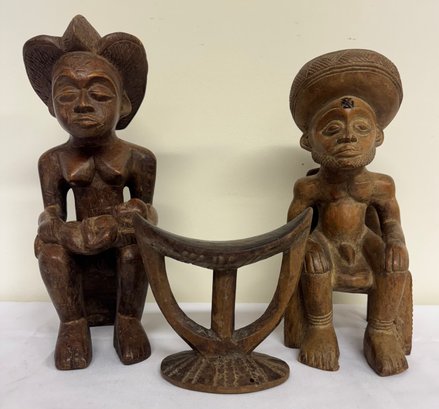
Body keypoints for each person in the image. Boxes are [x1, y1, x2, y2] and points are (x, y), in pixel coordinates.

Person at [24, 15, 157, 369]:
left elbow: (147, 212)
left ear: (123, 104)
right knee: (50, 252)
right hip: (76, 248)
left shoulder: (139, 158)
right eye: (67, 94)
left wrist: (129, 218)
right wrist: (64, 232)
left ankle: (127, 320)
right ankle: (72, 324)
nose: (82, 104)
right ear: (51, 105)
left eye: (99, 94)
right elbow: (51, 213)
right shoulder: (52, 161)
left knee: (139, 247)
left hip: (118, 246)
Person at [284, 49, 412, 376]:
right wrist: (307, 246)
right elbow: (294, 229)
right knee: (314, 261)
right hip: (325, 242)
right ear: (308, 142)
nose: (348, 136)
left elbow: (391, 221)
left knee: (394, 261)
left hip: (363, 242)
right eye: (331, 130)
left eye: (362, 127)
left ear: (378, 136)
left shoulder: (381, 185)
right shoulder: (309, 187)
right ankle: (320, 328)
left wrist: (396, 243)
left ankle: (381, 330)